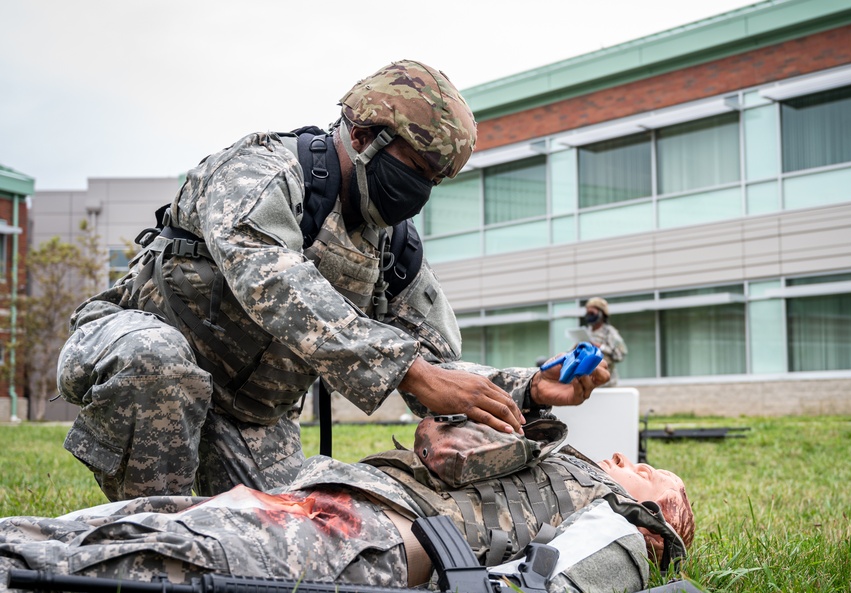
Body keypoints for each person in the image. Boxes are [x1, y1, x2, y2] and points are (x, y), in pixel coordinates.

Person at [55, 60, 609, 502]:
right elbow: (273, 281)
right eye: (416, 171)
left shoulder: (394, 247)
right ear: (364, 134)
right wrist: (408, 371)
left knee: (287, 540)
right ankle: (141, 539)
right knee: (159, 360)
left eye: (435, 182)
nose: (421, 192)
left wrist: (526, 387)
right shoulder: (263, 171)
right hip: (139, 348)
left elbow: (436, 368)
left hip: (252, 414)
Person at [0, 417, 694, 593]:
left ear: (664, 512)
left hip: (365, 537)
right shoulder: (567, 469)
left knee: (122, 563)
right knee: (116, 522)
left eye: (645, 466)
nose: (617, 457)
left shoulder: (617, 521)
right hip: (330, 503)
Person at [583, 297, 628, 386]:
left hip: (608, 384)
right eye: (587, 312)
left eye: (592, 312)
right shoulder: (586, 332)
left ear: (601, 313)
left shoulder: (609, 332)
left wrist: (600, 347)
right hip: (590, 384)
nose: (589, 315)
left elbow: (620, 354)